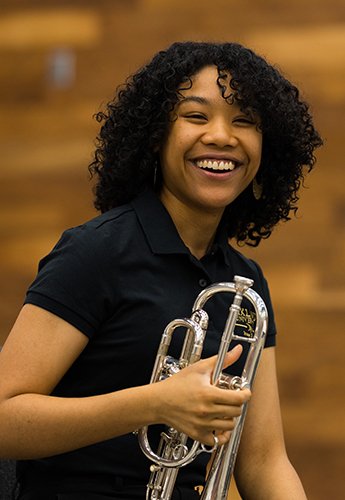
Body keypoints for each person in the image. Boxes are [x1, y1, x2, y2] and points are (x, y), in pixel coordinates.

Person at [0, 41, 322, 499]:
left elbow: (264, 461)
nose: (222, 136)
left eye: (245, 121)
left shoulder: (246, 286)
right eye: (196, 116)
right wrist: (155, 404)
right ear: (156, 135)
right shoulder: (95, 252)